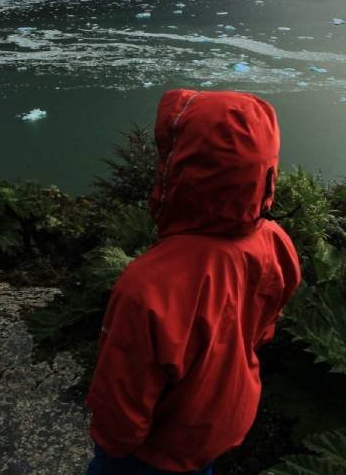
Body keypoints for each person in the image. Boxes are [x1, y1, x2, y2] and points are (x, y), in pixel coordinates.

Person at [84, 89, 302, 475]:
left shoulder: (149, 286)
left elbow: (123, 402)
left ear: (182, 171)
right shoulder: (274, 241)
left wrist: (112, 442)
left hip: (148, 456)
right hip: (213, 427)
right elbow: (263, 325)